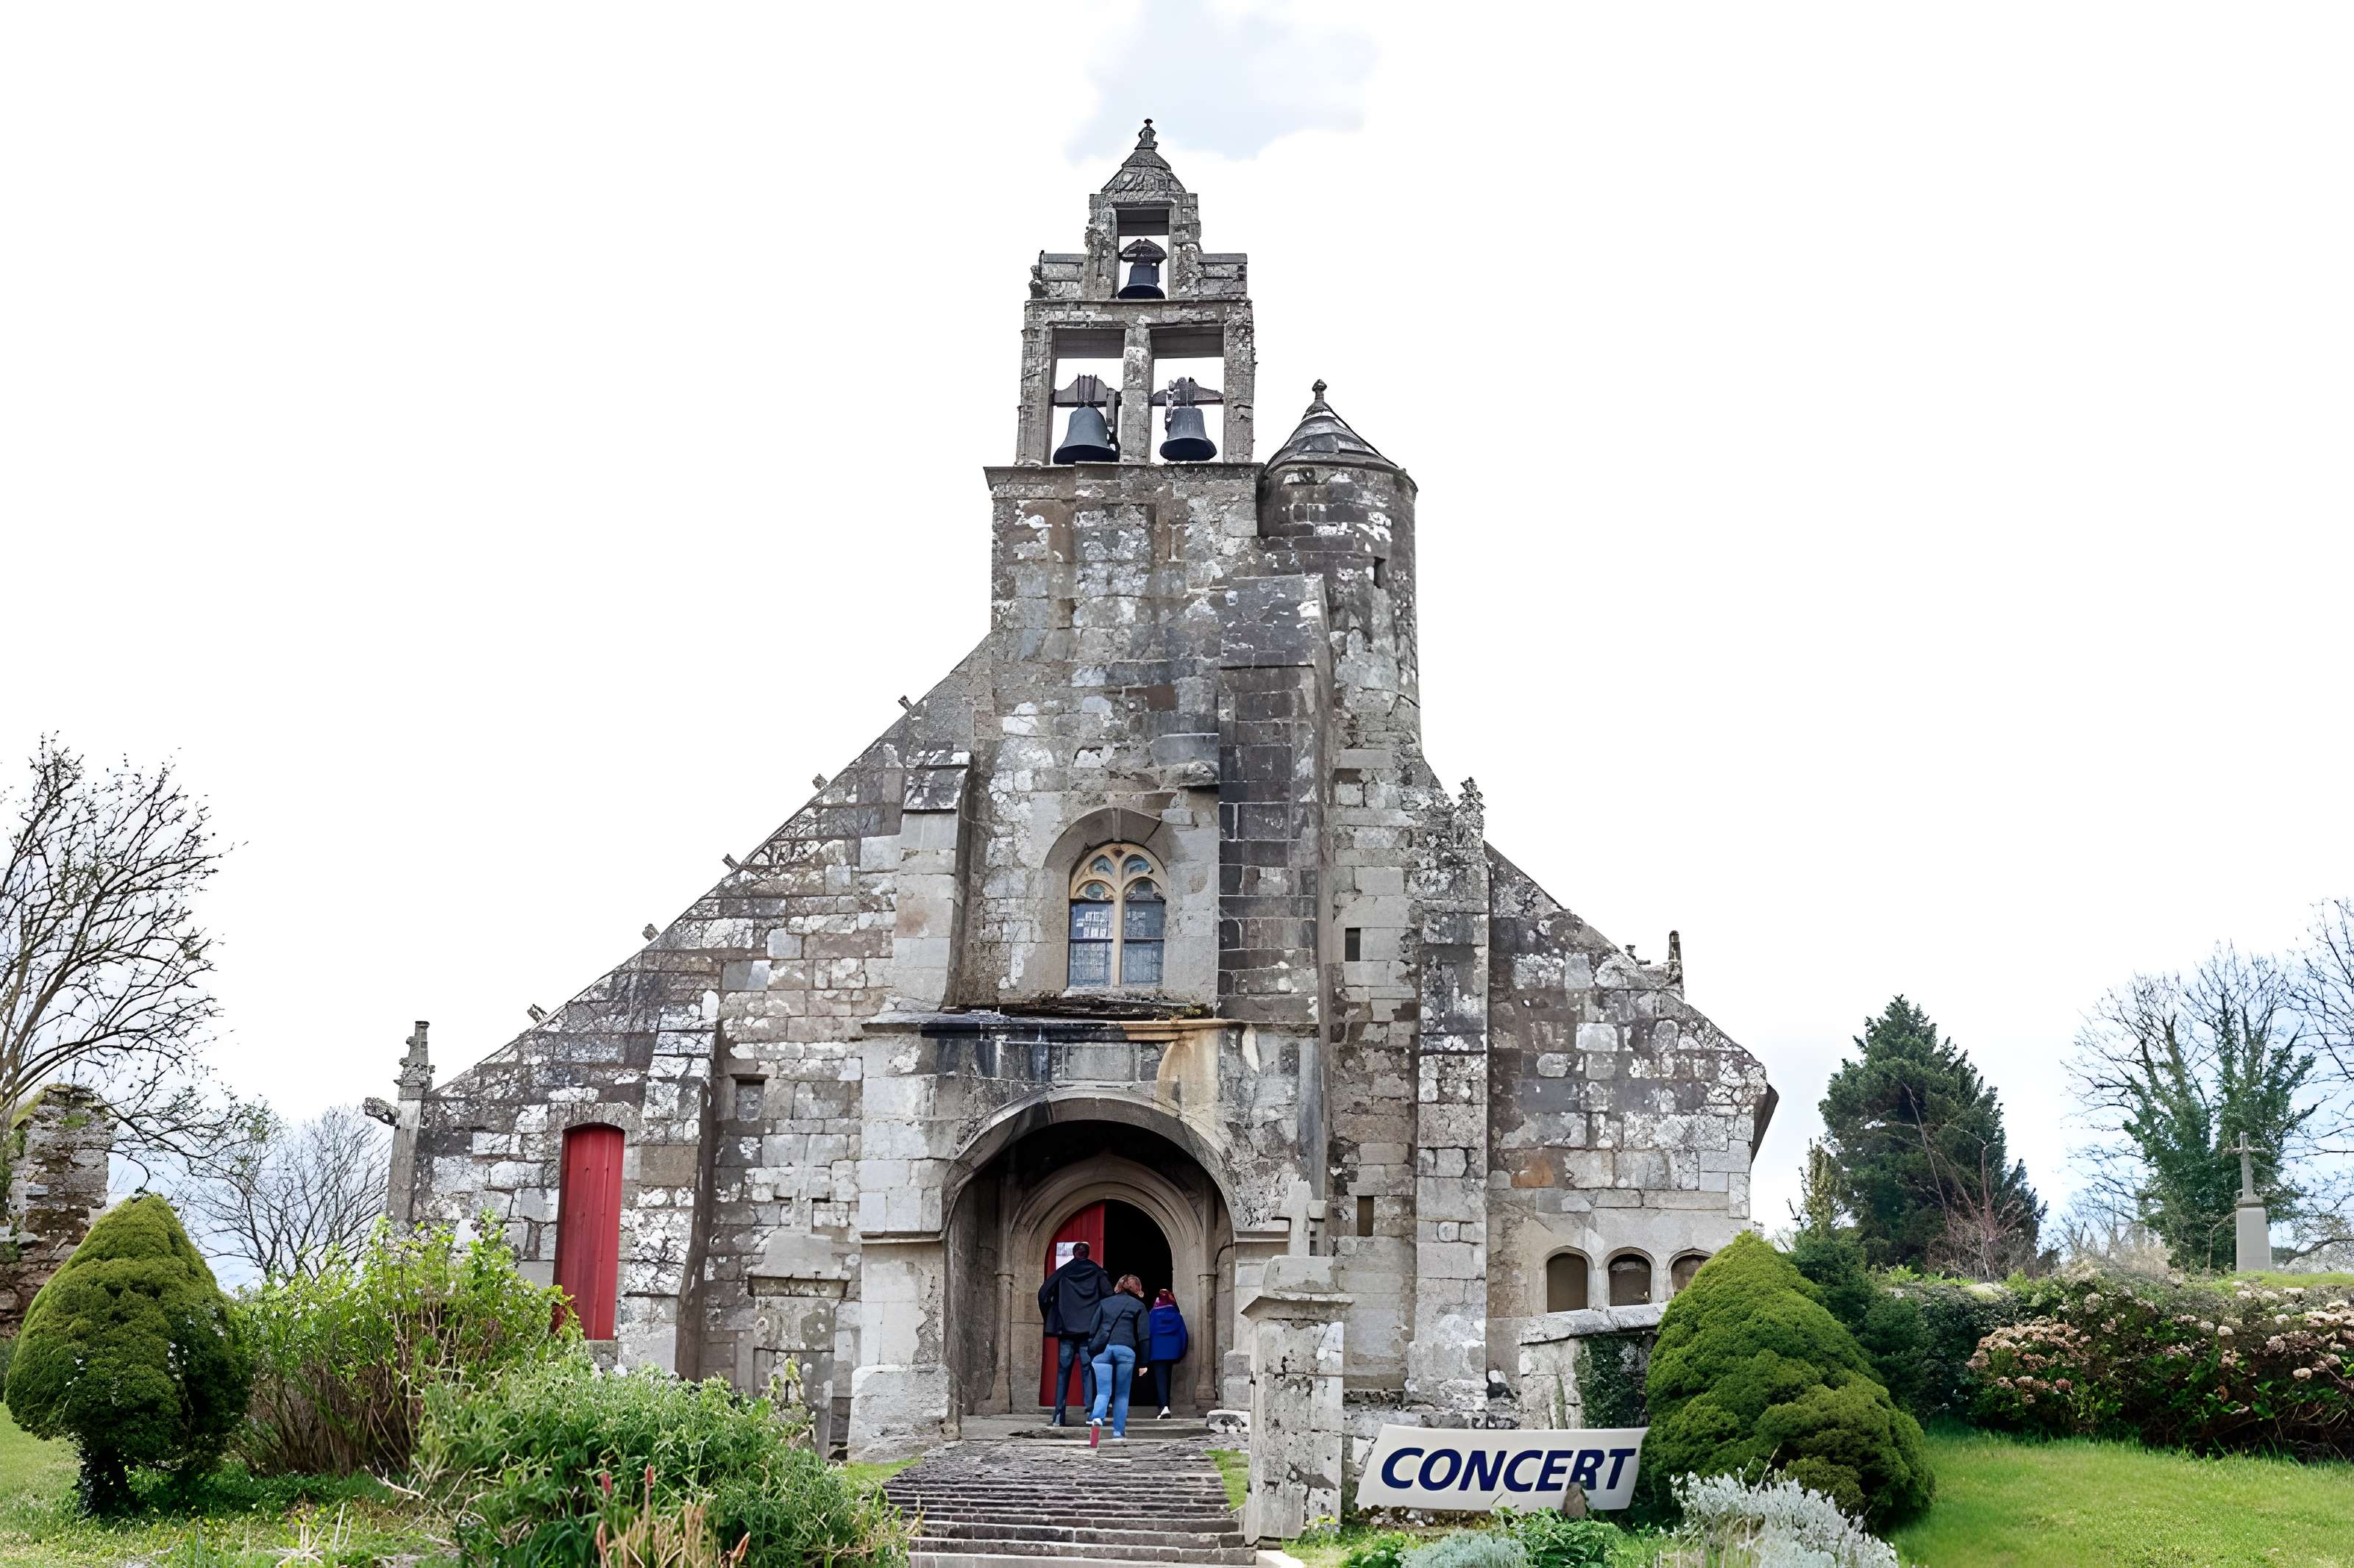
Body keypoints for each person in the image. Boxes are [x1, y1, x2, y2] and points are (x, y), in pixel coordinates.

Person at [1038, 1241, 1112, 1427]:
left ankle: (1058, 1415)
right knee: (1088, 1371)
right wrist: (1098, 1318)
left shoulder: (1064, 1271)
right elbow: (1109, 1296)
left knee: (1063, 1372)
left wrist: (1053, 1314)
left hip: (1066, 1330)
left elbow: (1043, 1293)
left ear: (1074, 1253)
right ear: (1087, 1253)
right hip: (1088, 1330)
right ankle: (1089, 1413)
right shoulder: (1097, 1272)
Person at [1086, 1272, 1149, 1444]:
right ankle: (1118, 1433)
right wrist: (1144, 1363)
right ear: (1136, 1289)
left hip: (1103, 1351)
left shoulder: (1104, 1303)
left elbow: (1093, 1329)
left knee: (1103, 1391)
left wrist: (1093, 1350)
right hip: (1125, 1350)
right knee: (1122, 1395)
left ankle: (1097, 1417)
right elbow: (1144, 1337)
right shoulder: (1138, 1306)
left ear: (1119, 1286)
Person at [1146, 1286, 1189, 1418]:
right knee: (1168, 1378)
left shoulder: (1152, 1314)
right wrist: (1181, 1352)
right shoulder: (1177, 1315)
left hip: (1157, 1352)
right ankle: (1165, 1406)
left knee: (1160, 1379)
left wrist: (1145, 1353)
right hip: (1173, 1351)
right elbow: (1184, 1335)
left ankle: (1163, 1406)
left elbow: (1147, 1333)